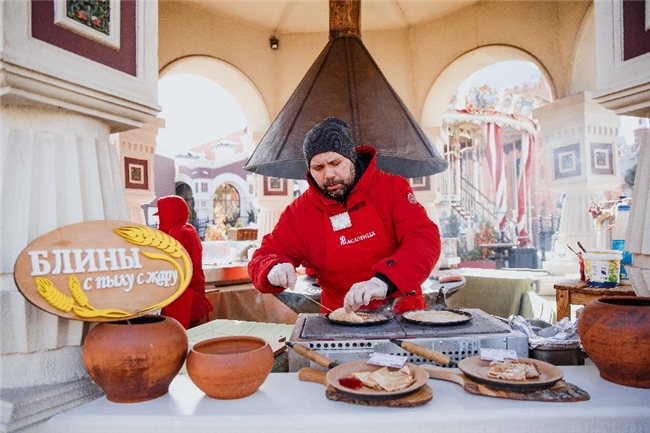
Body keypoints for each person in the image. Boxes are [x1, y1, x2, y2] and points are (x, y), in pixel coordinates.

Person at [248, 117, 441, 313]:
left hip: (402, 314)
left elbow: (424, 239)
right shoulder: (299, 212)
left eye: (335, 162)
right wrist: (273, 266)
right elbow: (264, 255)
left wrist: (384, 282)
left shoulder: (392, 189)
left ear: (351, 158)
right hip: (340, 321)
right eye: (319, 167)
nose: (329, 174)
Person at [155, 195, 213, 329]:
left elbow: (173, 266)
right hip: (192, 296)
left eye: (162, 216)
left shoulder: (177, 232)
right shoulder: (188, 228)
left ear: (169, 214)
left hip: (184, 300)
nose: (160, 221)